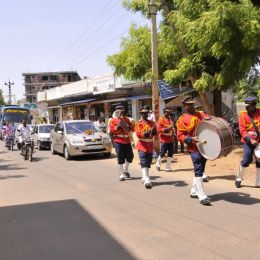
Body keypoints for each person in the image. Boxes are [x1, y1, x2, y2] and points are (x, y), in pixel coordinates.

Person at [176, 96, 211, 205]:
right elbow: (180, 135)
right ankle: (201, 194)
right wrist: (191, 139)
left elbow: (210, 121)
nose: (191, 106)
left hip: (204, 147)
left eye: (192, 104)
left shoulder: (201, 114)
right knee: (198, 168)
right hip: (193, 147)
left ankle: (193, 190)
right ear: (184, 106)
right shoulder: (182, 119)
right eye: (189, 105)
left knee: (201, 168)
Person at [235, 96, 260, 188]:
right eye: (246, 105)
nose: (246, 107)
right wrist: (250, 139)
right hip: (248, 140)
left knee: (259, 160)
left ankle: (258, 182)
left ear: (254, 105)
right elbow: (242, 130)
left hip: (259, 140)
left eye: (248, 106)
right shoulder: (242, 115)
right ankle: (239, 178)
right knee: (246, 160)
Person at [108, 105, 134, 181]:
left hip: (126, 140)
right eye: (119, 110)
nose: (121, 112)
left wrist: (129, 127)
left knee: (130, 156)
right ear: (116, 111)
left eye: (122, 110)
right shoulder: (113, 120)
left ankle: (126, 170)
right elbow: (111, 131)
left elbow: (132, 128)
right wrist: (117, 127)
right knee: (120, 157)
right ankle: (121, 174)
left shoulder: (127, 119)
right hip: (118, 140)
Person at [135, 106, 157, 189]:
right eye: (144, 113)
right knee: (143, 161)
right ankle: (147, 179)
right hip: (142, 144)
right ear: (141, 114)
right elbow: (138, 134)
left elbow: (155, 133)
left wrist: (154, 132)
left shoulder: (152, 123)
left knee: (148, 162)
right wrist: (145, 133)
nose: (145, 114)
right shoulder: (138, 123)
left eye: (147, 113)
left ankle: (145, 176)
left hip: (150, 144)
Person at [156, 107, 175, 172]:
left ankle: (167, 166)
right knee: (163, 152)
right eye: (167, 112)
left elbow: (174, 127)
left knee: (171, 153)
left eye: (169, 112)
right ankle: (158, 164)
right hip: (164, 138)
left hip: (171, 138)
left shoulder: (171, 119)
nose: (169, 113)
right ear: (164, 112)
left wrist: (173, 122)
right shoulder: (161, 119)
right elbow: (158, 130)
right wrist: (168, 128)